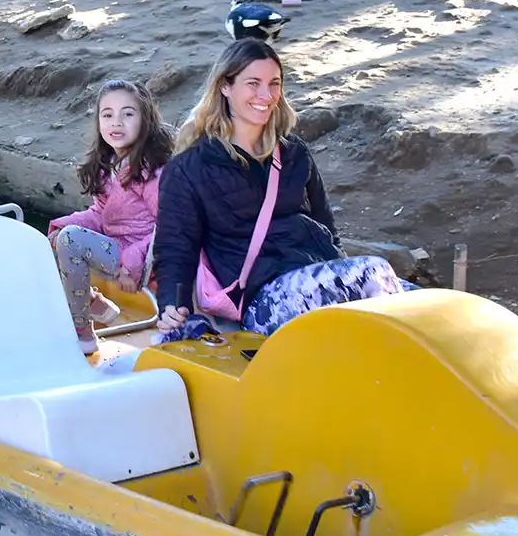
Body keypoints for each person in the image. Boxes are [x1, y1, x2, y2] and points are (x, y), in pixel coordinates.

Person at [152, 39, 411, 343]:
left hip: (316, 277)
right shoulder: (189, 168)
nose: (266, 95)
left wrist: (340, 272)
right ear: (225, 87)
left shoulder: (294, 153)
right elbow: (175, 249)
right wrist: (173, 305)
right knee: (373, 272)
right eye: (253, 83)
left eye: (274, 83)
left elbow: (326, 227)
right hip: (264, 299)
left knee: (430, 302)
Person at [47, 79, 173, 355]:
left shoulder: (152, 171)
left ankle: (82, 333)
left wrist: (132, 263)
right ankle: (93, 302)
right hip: (117, 250)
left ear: (145, 120)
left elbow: (168, 225)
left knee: (71, 240)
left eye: (128, 114)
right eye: (108, 115)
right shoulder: (109, 166)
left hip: (148, 259)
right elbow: (100, 214)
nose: (117, 122)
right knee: (53, 238)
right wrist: (60, 227)